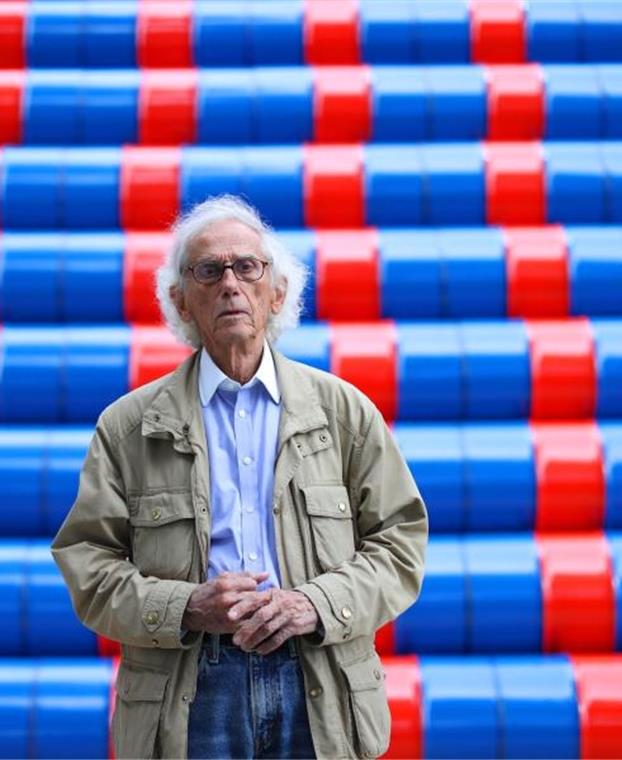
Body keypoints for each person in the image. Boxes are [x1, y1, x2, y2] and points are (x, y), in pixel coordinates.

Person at [51, 195, 429, 759]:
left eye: (247, 267)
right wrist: (185, 606)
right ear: (180, 301)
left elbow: (401, 545)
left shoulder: (344, 412)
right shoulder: (128, 427)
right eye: (209, 270)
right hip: (194, 687)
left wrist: (315, 603)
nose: (230, 283)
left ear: (276, 292)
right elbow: (89, 565)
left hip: (317, 678)